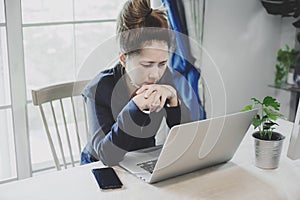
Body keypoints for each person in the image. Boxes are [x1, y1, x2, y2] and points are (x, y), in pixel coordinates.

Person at [81, 0, 202, 166]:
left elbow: (188, 142)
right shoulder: (98, 89)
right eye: (147, 64)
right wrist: (134, 108)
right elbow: (106, 155)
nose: (155, 74)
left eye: (162, 63)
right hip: (100, 171)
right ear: (124, 58)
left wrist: (174, 101)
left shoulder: (165, 77)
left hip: (142, 163)